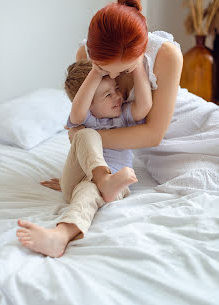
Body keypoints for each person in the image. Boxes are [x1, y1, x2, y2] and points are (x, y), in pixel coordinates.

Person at [16, 54, 152, 257]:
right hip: (82, 179)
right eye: (107, 95)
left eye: (115, 89)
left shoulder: (122, 115)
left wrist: (139, 67)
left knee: (88, 195)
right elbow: (78, 111)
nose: (118, 96)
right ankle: (103, 179)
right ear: (89, 103)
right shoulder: (83, 119)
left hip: (112, 188)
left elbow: (144, 107)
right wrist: (96, 72)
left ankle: (59, 236)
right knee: (85, 134)